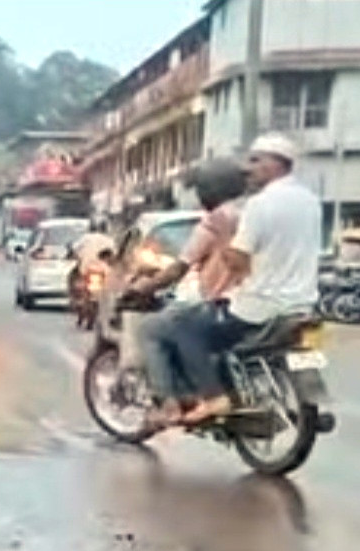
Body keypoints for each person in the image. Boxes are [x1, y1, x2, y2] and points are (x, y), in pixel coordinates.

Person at [173, 133, 323, 424]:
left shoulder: (259, 204)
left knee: (187, 331)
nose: (249, 169)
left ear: (277, 164)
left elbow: (237, 261)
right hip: (304, 303)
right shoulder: (311, 202)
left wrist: (227, 238)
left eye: (256, 161)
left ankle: (214, 398)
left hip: (260, 306)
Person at [125, 158, 248, 426]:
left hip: (221, 300)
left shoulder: (217, 220)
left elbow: (179, 268)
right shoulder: (251, 212)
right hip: (254, 300)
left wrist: (144, 286)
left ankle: (168, 405)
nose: (199, 194)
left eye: (201, 188)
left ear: (211, 189)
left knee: (150, 330)